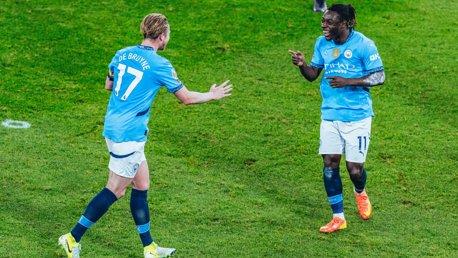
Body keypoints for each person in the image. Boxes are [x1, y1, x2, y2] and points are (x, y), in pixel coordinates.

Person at [59, 13, 233, 257]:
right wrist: (211, 95)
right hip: (128, 135)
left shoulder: (121, 53)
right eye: (168, 35)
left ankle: (150, 249)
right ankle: (71, 238)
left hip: (115, 127)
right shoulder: (160, 64)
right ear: (162, 36)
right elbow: (186, 98)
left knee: (142, 184)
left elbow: (109, 85)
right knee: (115, 190)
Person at [289, 4, 385, 233]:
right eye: (323, 21)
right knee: (330, 167)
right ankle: (338, 217)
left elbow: (380, 76)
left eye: (329, 22)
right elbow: (314, 75)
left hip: (357, 116)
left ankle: (360, 193)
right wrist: (303, 65)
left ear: (344, 23)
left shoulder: (364, 44)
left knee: (354, 170)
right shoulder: (322, 42)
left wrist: (348, 81)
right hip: (330, 114)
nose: (324, 25)